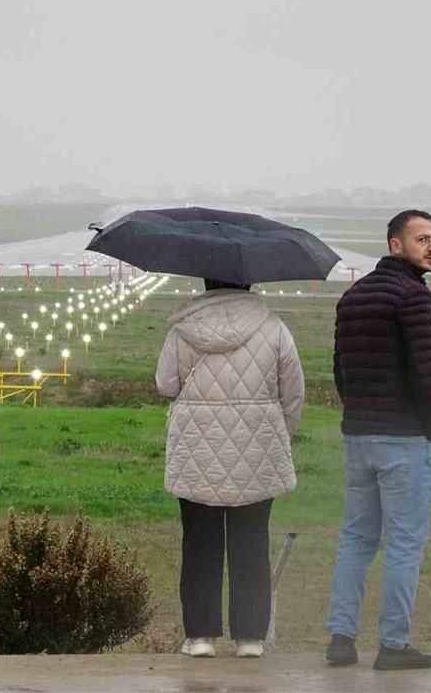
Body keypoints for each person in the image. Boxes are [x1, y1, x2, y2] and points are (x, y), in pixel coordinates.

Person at [156, 278, 304, 659]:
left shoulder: (182, 330)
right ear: (249, 280)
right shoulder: (274, 327)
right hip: (258, 447)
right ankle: (250, 638)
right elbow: (293, 393)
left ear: (205, 281)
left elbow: (165, 385)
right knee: (252, 540)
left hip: (196, 448)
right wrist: (277, 433)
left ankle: (201, 636)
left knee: (200, 542)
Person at [325, 209, 431, 671]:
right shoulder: (414, 295)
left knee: (355, 539)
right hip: (405, 439)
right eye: (421, 239)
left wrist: (357, 412)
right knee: (403, 544)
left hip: (358, 435)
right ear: (396, 245)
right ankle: (393, 645)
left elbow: (340, 368)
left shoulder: (352, 295)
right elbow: (426, 371)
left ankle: (341, 639)